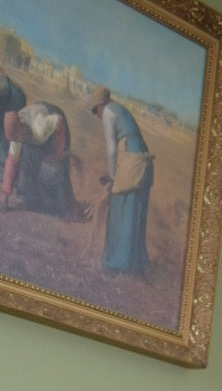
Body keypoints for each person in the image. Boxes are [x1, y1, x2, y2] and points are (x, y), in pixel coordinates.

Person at [90, 87, 153, 275]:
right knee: (135, 209)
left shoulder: (109, 112)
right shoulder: (120, 109)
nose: (97, 116)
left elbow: (111, 149)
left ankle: (115, 264)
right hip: (140, 156)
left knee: (120, 206)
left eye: (96, 111)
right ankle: (134, 263)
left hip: (131, 157)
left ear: (100, 105)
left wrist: (112, 176)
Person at [0, 104, 88, 219]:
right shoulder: (17, 135)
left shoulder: (39, 128)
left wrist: (58, 154)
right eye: (14, 139)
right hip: (32, 131)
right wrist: (6, 192)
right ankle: (26, 199)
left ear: (20, 127)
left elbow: (58, 121)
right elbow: (12, 160)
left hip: (55, 125)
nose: (15, 141)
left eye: (16, 137)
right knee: (25, 158)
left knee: (54, 168)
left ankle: (65, 207)